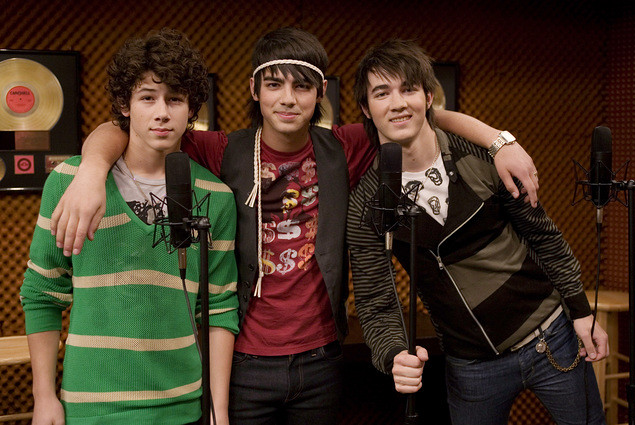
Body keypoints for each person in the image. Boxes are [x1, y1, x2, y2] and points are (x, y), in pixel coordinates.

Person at [46, 27, 540, 424]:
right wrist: (91, 171)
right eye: (274, 85)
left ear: (320, 93)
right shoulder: (222, 149)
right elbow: (125, 127)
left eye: (302, 86)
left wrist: (500, 141)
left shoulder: (343, 147)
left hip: (321, 358)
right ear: (254, 90)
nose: (288, 99)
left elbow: (419, 114)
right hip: (244, 360)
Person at [346, 39, 609, 425]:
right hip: (470, 366)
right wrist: (392, 354)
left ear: (429, 97)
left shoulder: (482, 156)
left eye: (408, 89)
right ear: (366, 108)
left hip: (551, 336)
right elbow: (374, 299)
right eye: (382, 93)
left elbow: (545, 237)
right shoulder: (367, 203)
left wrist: (581, 311)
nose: (397, 103)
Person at [21, 29, 239, 425]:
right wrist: (44, 397)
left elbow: (219, 308)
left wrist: (217, 410)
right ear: (125, 104)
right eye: (148, 98)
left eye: (175, 99)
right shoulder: (70, 182)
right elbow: (42, 293)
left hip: (182, 405)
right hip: (90, 406)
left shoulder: (216, 197)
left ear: (192, 108)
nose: (162, 112)